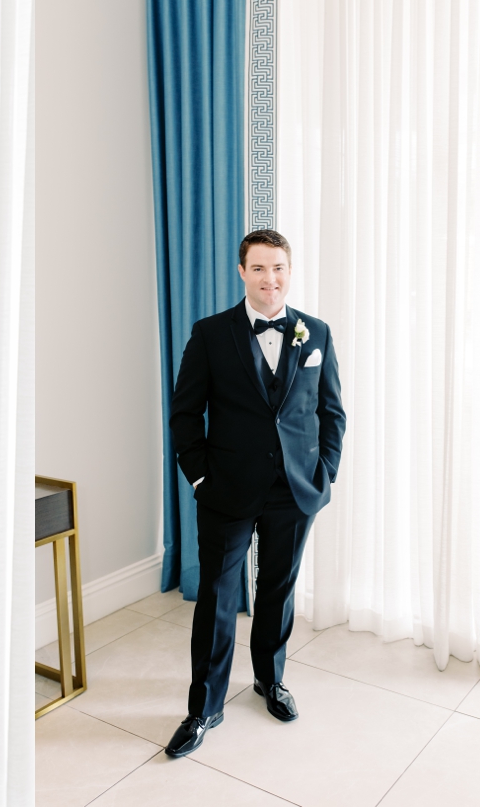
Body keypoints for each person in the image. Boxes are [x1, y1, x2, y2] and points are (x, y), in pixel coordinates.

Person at [164, 229, 345, 757]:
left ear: (290, 271)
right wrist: (199, 477)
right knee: (218, 598)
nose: (272, 279)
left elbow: (331, 412)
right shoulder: (210, 334)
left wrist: (325, 471)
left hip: (295, 489)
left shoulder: (317, 334)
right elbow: (183, 413)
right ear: (242, 272)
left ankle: (270, 679)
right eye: (260, 269)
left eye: (280, 268)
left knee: (278, 589)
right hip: (227, 488)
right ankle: (204, 707)